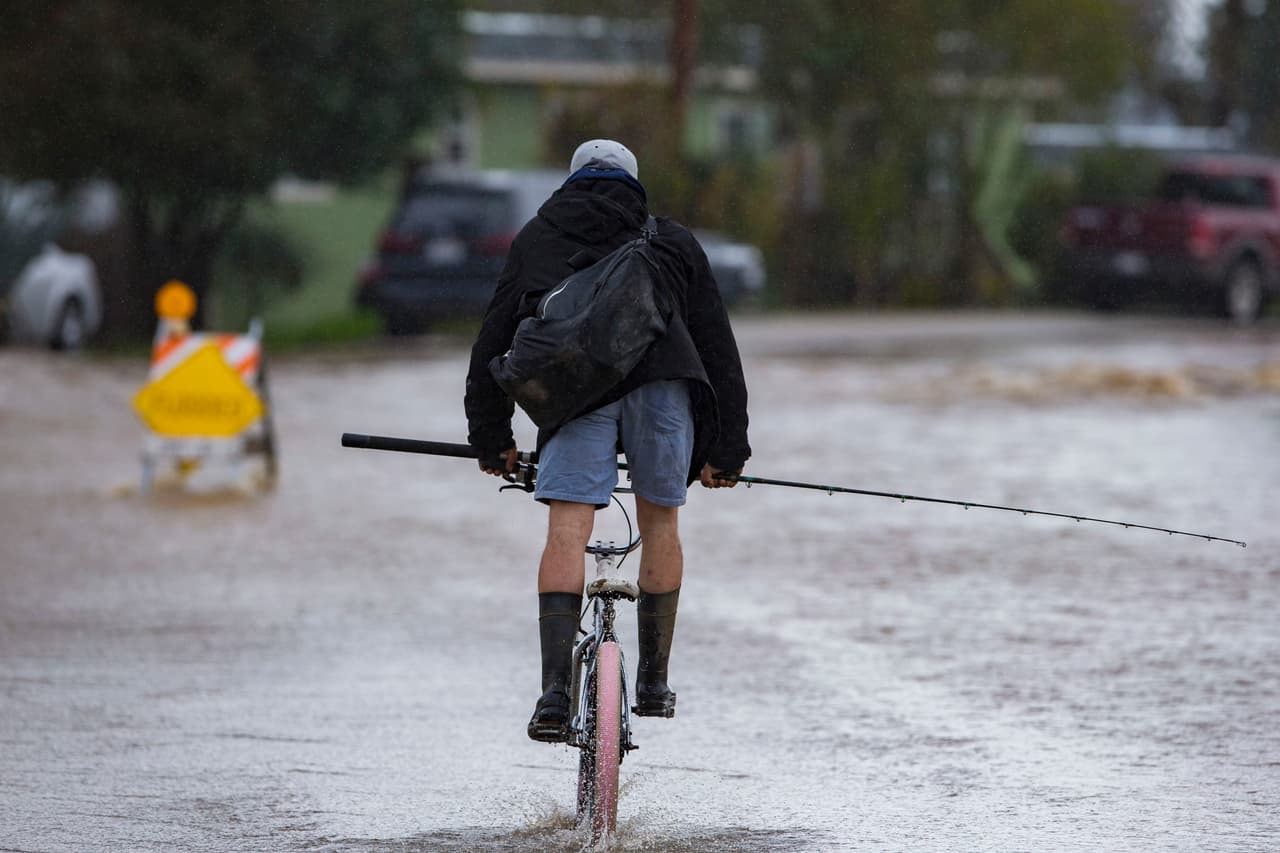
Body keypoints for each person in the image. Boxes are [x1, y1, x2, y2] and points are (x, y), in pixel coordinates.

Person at [464, 139, 751, 742]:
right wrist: (727, 450)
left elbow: (492, 339)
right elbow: (718, 347)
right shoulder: (670, 240)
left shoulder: (536, 238)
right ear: (634, 183)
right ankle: (653, 683)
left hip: (574, 395)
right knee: (662, 524)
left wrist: (493, 439)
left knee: (567, 529)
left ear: (571, 181)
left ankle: (553, 692)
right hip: (662, 388)